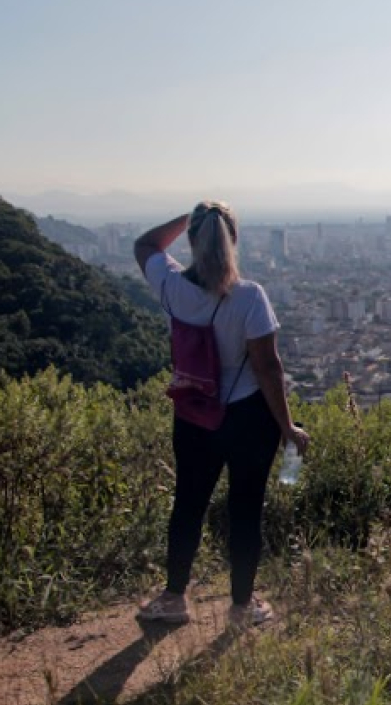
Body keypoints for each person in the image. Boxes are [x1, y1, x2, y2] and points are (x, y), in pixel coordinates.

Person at [133, 201, 309, 627]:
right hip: (249, 417)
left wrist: (192, 218)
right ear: (234, 240)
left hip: (195, 413)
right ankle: (241, 607)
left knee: (188, 503)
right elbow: (268, 368)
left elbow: (144, 245)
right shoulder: (250, 296)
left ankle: (174, 599)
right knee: (246, 509)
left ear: (192, 240)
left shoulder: (172, 286)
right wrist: (287, 428)